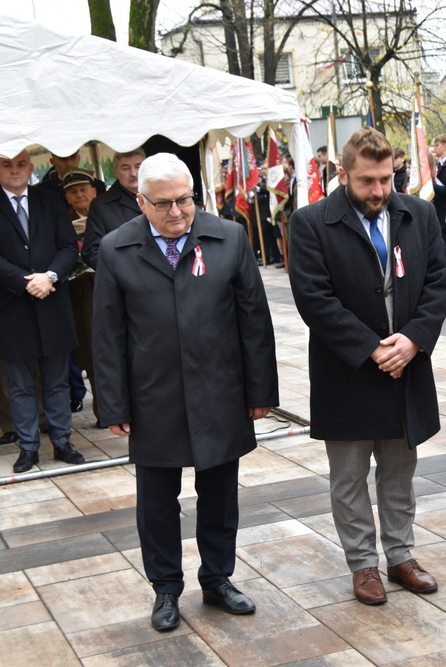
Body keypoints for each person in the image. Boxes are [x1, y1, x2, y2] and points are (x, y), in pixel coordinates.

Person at [93, 152, 278, 632]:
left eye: (185, 200)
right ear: (141, 202)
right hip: (154, 397)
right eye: (163, 204)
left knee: (219, 495)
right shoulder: (116, 249)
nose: (176, 213)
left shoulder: (229, 237)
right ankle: (165, 590)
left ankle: (218, 579)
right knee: (156, 501)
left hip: (220, 392)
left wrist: (260, 391)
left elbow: (254, 321)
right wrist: (112, 402)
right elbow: (108, 334)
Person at [288, 127, 446, 606]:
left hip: (408, 369)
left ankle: (401, 555)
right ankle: (363, 564)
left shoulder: (417, 214)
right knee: (350, 477)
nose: (378, 191)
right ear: (343, 173)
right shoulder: (312, 221)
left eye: (386, 179)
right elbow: (313, 298)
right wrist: (372, 347)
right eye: (366, 182)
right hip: (348, 373)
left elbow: (440, 279)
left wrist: (415, 339)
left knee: (400, 471)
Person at [0, 150, 86, 473]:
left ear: (31, 167)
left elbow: (67, 246)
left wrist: (49, 277)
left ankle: (62, 441)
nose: (14, 170)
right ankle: (28, 447)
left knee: (57, 381)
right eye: (7, 165)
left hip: (52, 302)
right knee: (19, 385)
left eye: (21, 164)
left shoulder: (51, 200)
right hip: (12, 306)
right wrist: (26, 283)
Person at [62, 170, 99, 415]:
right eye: (73, 191)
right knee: (89, 353)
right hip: (80, 293)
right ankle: (98, 408)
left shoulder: (103, 215)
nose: (79, 194)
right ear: (66, 197)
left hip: (108, 287)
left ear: (94, 191)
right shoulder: (61, 221)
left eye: (83, 189)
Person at [82, 149, 145, 269]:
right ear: (116, 172)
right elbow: (92, 252)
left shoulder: (163, 197)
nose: (133, 173)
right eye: (126, 168)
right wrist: (123, 275)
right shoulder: (100, 206)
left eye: (138, 166)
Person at [430, 133, 446, 253]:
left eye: (437, 145)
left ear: (445, 146)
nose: (435, 148)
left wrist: (430, 185)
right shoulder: (439, 164)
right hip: (439, 211)